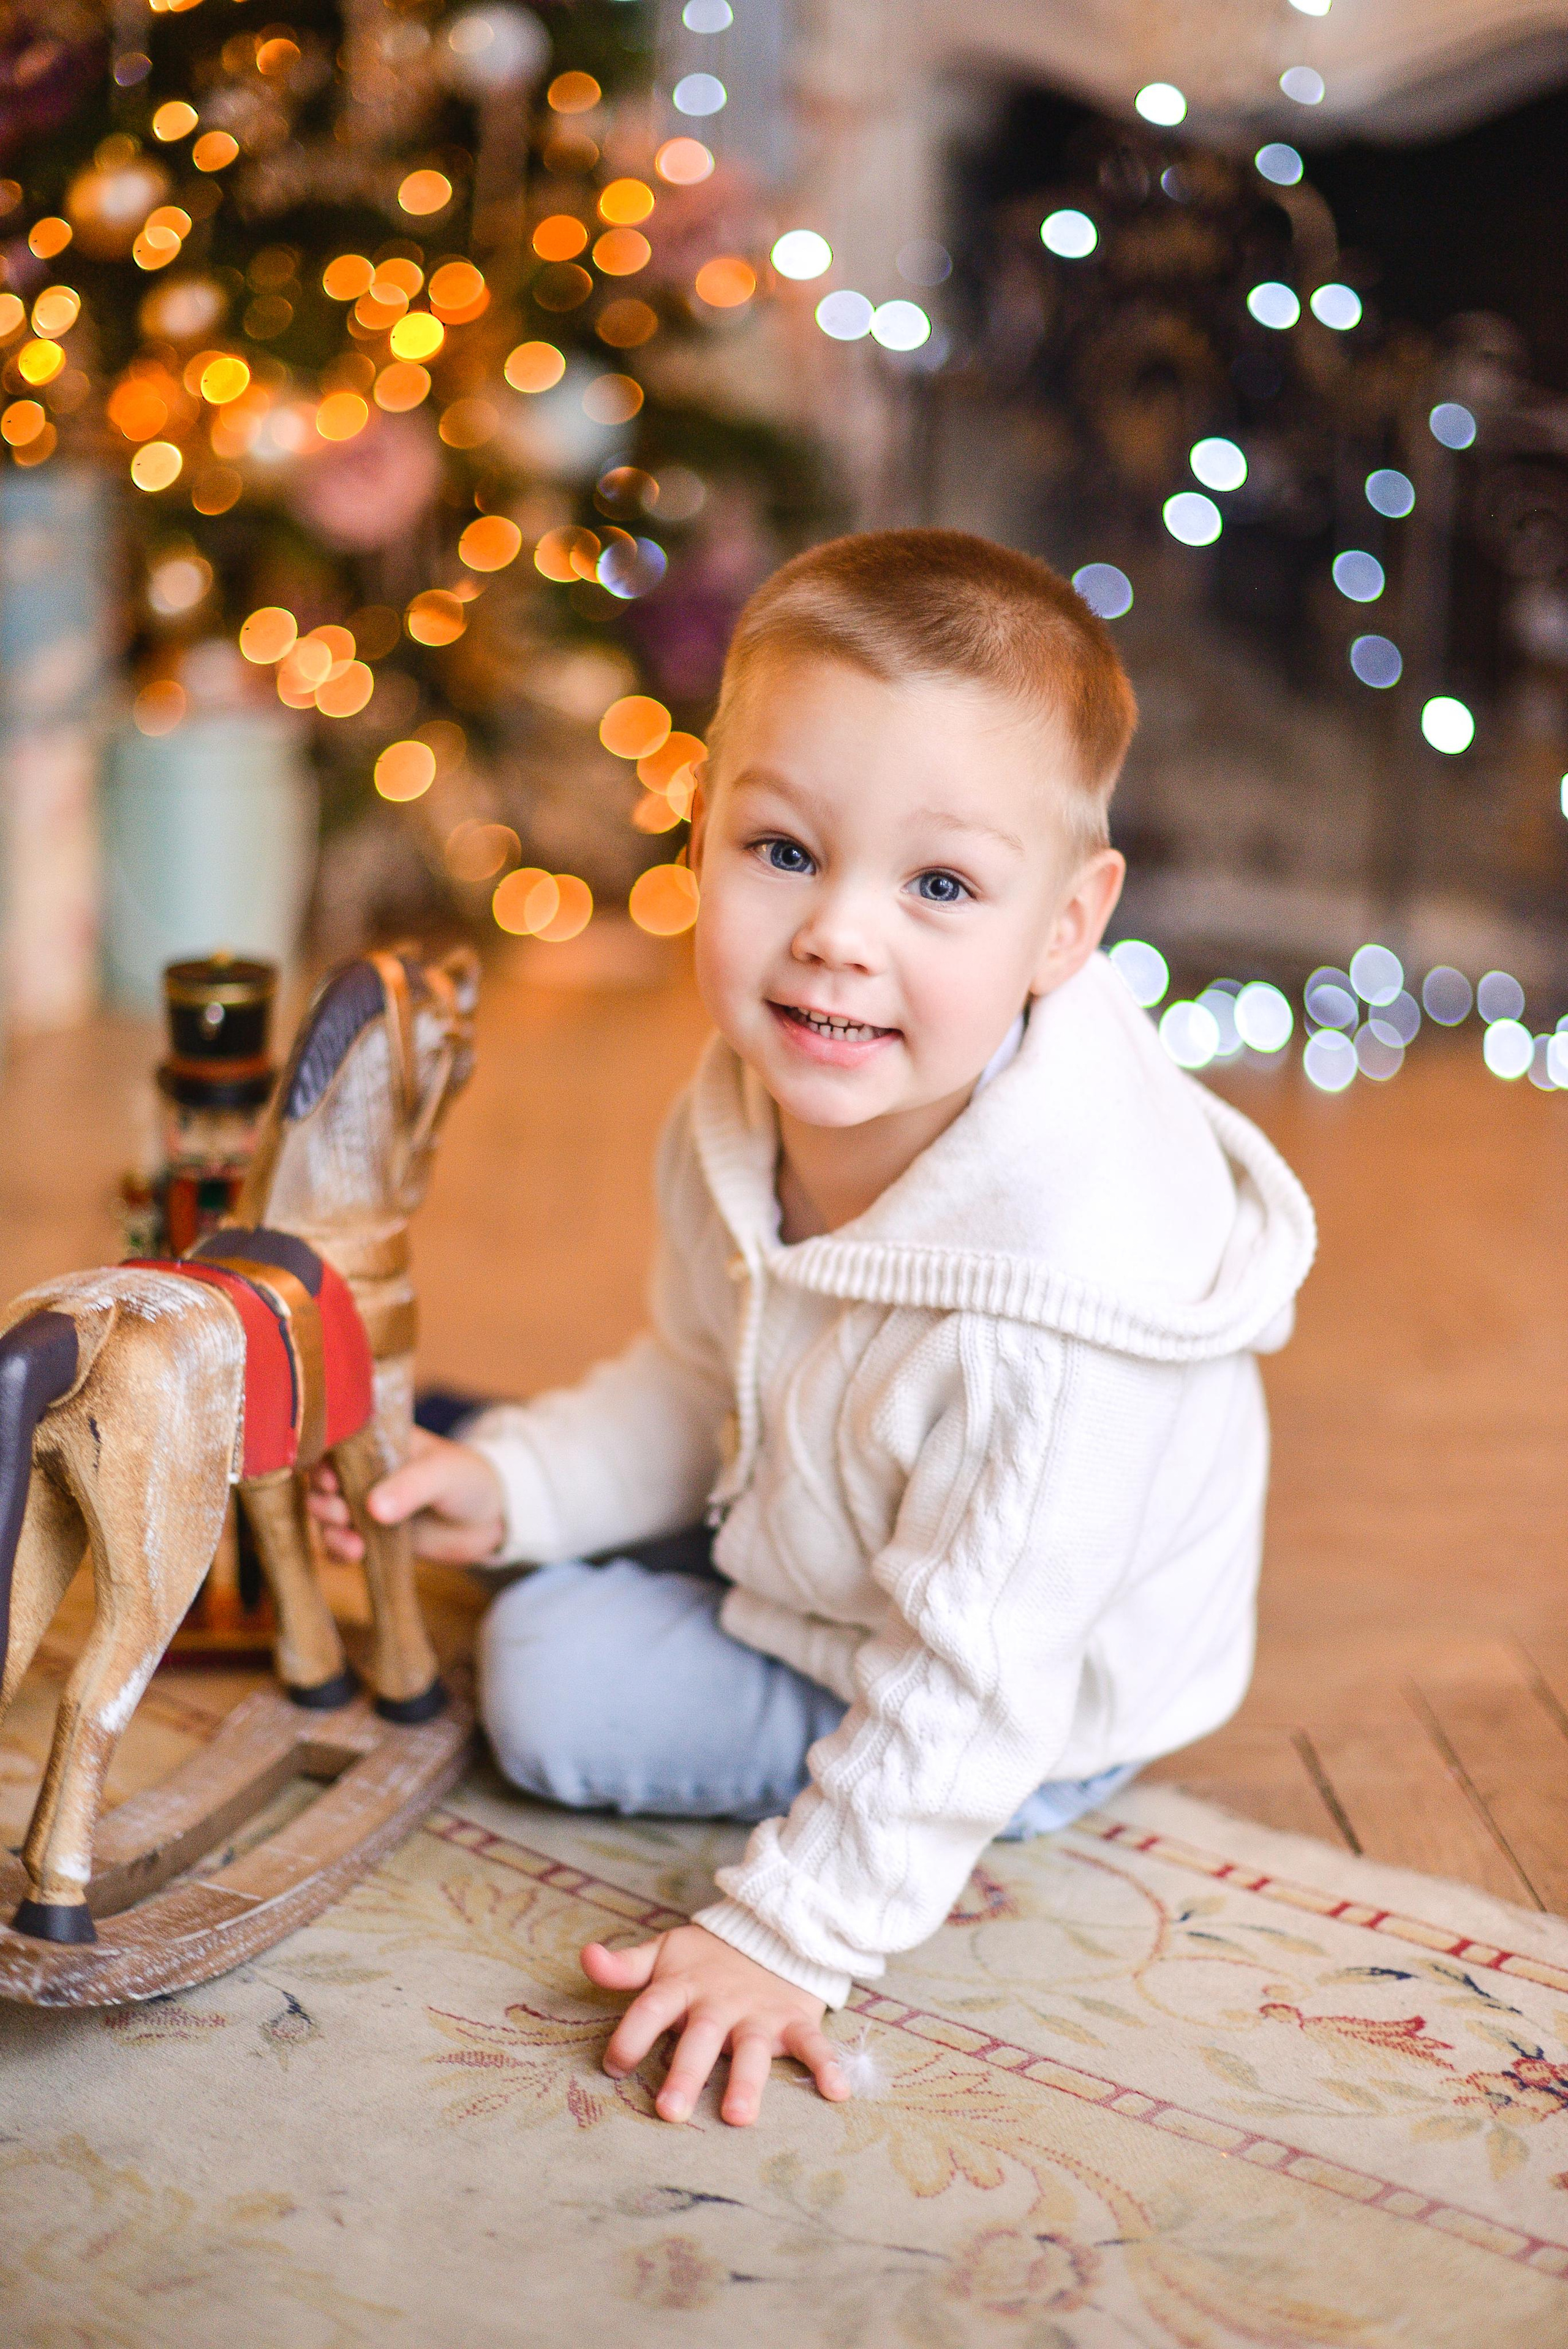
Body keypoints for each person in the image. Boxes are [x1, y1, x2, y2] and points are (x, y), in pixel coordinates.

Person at [310, 529, 1315, 2131]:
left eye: (938, 886)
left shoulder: (1052, 1303)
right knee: (493, 1457)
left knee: (550, 1673)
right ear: (701, 833)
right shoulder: (750, 1101)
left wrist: (788, 1937)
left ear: (1067, 923)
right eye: (783, 850)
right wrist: (520, 1483)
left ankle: (679, 1602)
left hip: (1026, 1695)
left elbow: (979, 1680)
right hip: (848, 1530)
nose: (842, 934)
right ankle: (550, 1498)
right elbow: (705, 1374)